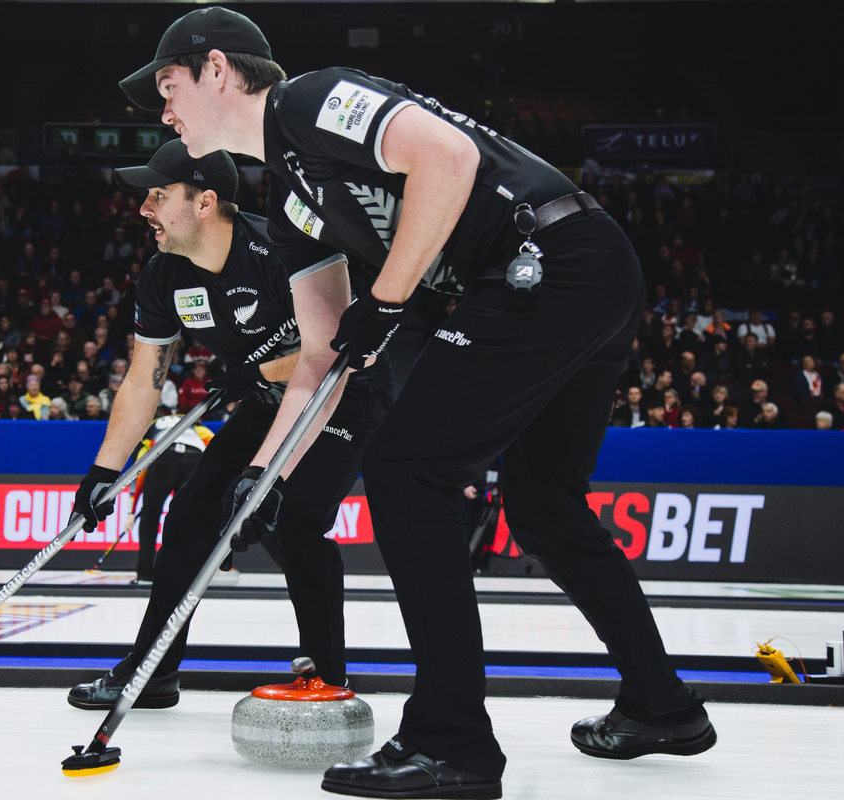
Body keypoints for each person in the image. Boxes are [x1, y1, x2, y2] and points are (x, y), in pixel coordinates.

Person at [118, 9, 711, 795]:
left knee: (406, 467)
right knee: (544, 507)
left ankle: (451, 742)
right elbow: (321, 353)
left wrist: (389, 296)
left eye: (169, 86)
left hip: (547, 260)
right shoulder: (290, 202)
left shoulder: (312, 100)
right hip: (580, 274)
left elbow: (448, 154)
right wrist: (265, 475)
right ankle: (662, 704)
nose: (164, 111)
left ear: (218, 70)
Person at [66, 140, 392, 713]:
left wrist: (256, 371)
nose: (144, 209)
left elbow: (332, 353)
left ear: (204, 202)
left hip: (345, 391)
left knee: (295, 517)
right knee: (191, 512)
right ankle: (152, 670)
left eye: (159, 195)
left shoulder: (280, 251)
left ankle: (327, 677)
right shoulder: (163, 276)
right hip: (267, 396)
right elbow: (143, 380)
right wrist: (104, 470)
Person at [128, 406, 215, 584]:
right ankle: (182, 573)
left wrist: (132, 511)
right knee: (184, 518)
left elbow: (139, 469)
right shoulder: (194, 422)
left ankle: (145, 574)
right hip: (195, 458)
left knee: (150, 517)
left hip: (163, 455)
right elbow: (213, 441)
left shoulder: (151, 427)